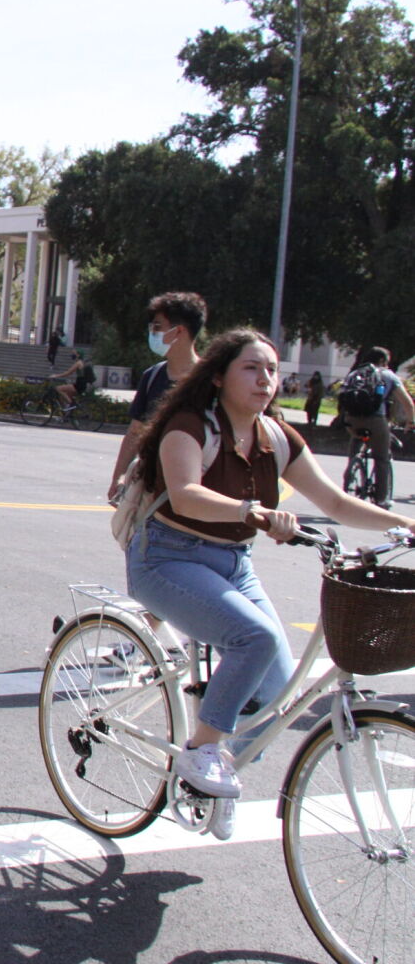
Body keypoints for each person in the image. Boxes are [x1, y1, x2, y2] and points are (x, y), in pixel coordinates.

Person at [126, 329, 415, 841]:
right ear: (219, 376)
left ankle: (212, 777)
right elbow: (186, 495)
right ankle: (202, 754)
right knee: (253, 637)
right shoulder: (189, 425)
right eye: (251, 368)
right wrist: (251, 511)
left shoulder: (276, 436)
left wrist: (407, 526)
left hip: (233, 562)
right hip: (167, 557)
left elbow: (337, 504)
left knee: (277, 689)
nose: (266, 379)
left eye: (272, 370)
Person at [110, 292, 206, 500]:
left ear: (179, 331)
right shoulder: (152, 376)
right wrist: (118, 477)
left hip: (196, 493)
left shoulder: (211, 382)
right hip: (150, 492)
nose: (152, 333)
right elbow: (135, 432)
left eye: (157, 327)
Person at [341, 347, 415, 508]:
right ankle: (381, 499)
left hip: (351, 420)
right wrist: (411, 422)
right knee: (382, 458)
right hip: (375, 420)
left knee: (355, 446)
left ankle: (350, 475)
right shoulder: (388, 375)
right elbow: (407, 403)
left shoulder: (355, 373)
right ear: (382, 361)